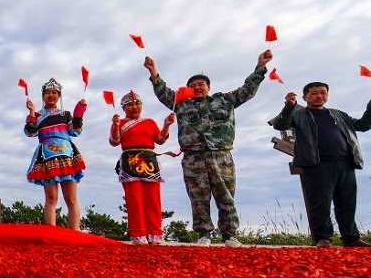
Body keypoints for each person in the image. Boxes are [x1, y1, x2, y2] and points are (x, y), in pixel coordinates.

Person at [144, 50, 272, 247]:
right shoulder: (181, 105)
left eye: (201, 84)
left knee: (226, 195)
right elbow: (163, 92)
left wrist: (260, 67)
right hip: (193, 157)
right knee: (198, 197)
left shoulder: (225, 100)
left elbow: (247, 90)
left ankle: (229, 235)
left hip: (221, 155)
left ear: (208, 87)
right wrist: (153, 72)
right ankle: (204, 233)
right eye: (192, 85)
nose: (197, 88)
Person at [271, 82, 371, 247]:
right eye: (314, 93)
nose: (319, 96)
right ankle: (322, 238)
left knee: (347, 202)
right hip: (316, 164)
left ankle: (351, 238)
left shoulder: (338, 114)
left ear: (327, 95)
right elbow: (280, 125)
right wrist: (289, 106)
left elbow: (363, 125)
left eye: (323, 92)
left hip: (345, 163)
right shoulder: (299, 114)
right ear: (305, 97)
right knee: (320, 202)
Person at [109, 91, 175, 245]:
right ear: (124, 108)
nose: (134, 107)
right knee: (134, 198)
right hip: (130, 160)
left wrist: (166, 125)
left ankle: (155, 233)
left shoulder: (150, 122)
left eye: (137, 103)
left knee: (153, 198)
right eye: (130, 104)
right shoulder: (121, 122)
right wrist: (115, 125)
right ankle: (138, 234)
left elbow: (160, 140)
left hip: (149, 159)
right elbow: (114, 141)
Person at [24, 77, 87, 230]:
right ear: (43, 96)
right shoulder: (38, 115)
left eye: (54, 92)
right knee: (51, 197)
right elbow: (30, 132)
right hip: (46, 156)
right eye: (47, 92)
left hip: (66, 155)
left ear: (59, 96)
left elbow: (75, 131)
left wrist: (79, 113)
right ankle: (52, 232)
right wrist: (32, 112)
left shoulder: (65, 114)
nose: (51, 95)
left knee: (71, 198)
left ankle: (74, 232)